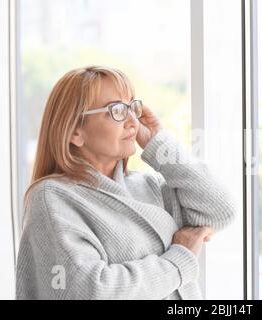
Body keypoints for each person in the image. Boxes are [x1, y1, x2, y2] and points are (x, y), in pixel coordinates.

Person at [16, 66, 236, 299]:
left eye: (132, 107)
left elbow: (220, 210)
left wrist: (159, 144)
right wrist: (179, 259)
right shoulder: (52, 198)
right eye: (117, 110)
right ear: (75, 132)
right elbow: (91, 291)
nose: (133, 121)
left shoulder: (150, 185)